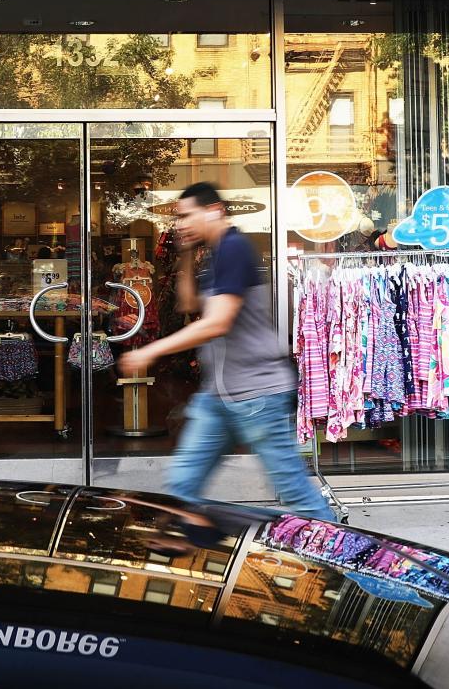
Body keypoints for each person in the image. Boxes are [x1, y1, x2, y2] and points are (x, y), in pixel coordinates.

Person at [117, 181, 333, 520]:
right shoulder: (216, 255)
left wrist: (150, 351)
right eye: (178, 219)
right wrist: (186, 253)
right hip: (219, 396)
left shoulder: (234, 248)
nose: (180, 224)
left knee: (296, 493)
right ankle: (191, 550)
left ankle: (342, 557)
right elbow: (189, 303)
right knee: (182, 485)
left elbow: (217, 322)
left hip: (257, 395)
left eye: (187, 216)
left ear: (214, 211)